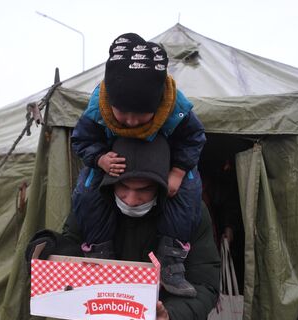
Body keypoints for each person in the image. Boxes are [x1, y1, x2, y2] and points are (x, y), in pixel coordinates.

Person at [27, 136, 220, 320]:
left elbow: (205, 283)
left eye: (144, 190)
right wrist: (47, 246)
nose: (131, 199)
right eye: (123, 187)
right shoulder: (91, 206)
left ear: (162, 186)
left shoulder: (189, 215)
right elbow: (73, 248)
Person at [71, 32, 206, 298]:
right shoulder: (98, 109)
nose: (131, 122)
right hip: (112, 164)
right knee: (87, 192)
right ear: (111, 103)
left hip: (165, 162)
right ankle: (99, 252)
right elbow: (82, 139)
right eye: (123, 113)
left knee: (189, 190)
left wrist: (178, 172)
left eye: (141, 114)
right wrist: (99, 158)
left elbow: (193, 139)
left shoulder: (176, 108)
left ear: (158, 104)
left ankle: (171, 259)